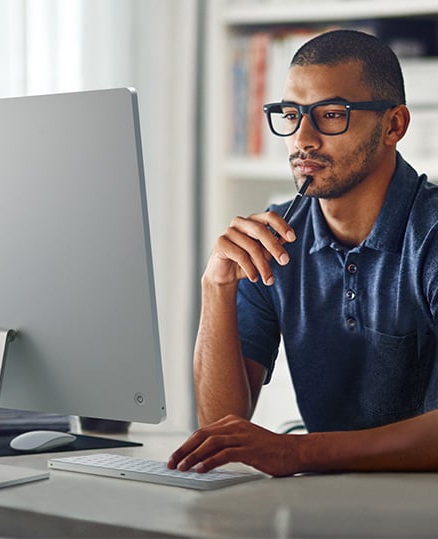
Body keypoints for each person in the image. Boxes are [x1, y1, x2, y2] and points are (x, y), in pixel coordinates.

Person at [167, 29, 438, 477]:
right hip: (325, 506)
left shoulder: (430, 234)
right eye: (291, 115)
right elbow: (220, 429)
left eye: (331, 115)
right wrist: (216, 286)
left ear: (394, 125)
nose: (303, 139)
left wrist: (298, 453)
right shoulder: (273, 239)